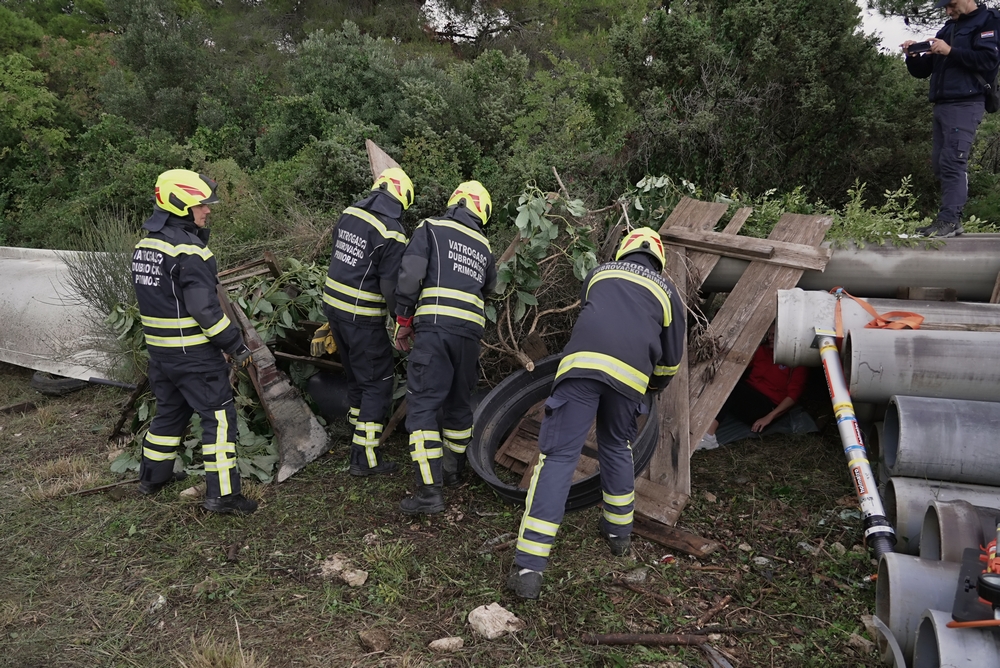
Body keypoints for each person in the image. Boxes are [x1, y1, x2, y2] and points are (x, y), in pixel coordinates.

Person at [506, 227, 686, 600]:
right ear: (659, 259)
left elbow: (597, 316)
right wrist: (652, 386)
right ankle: (619, 536)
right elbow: (670, 361)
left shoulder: (600, 273)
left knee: (559, 458)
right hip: (630, 381)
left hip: (582, 369)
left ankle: (529, 569)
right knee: (617, 447)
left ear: (624, 251)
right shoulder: (668, 293)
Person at [132, 169, 257, 515]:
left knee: (169, 414)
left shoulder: (146, 246)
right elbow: (205, 311)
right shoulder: (189, 250)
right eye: (201, 205)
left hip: (161, 354)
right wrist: (235, 345)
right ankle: (224, 496)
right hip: (194, 355)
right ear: (181, 205)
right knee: (219, 420)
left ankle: (152, 478)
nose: (207, 210)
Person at [393, 180, 497, 515]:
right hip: (469, 335)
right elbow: (489, 287)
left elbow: (410, 276)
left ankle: (429, 493)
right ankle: (452, 471)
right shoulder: (484, 245)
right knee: (458, 403)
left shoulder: (431, 228)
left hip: (435, 330)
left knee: (423, 406)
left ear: (456, 201)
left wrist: (403, 319)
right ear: (482, 211)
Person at [322, 167, 413, 476]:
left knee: (356, 378)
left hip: (333, 309)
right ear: (402, 199)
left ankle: (355, 436)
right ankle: (365, 459)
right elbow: (390, 286)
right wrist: (401, 319)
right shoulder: (392, 231)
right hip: (361, 317)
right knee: (378, 382)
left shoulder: (350, 213)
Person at [902, 0, 1000, 238]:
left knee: (953, 162)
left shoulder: (989, 21)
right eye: (945, 7)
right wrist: (913, 56)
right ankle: (949, 220)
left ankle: (949, 220)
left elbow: (989, 60)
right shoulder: (948, 29)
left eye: (951, 4)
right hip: (942, 105)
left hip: (966, 103)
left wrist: (950, 51)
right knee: (940, 163)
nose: (947, 11)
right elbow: (923, 71)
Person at [696, 323, 808, 452]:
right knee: (726, 382)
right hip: (749, 393)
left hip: (766, 405)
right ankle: (698, 421)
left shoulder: (796, 363)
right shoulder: (762, 351)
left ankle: (709, 437)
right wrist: (723, 353)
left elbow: (793, 396)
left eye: (774, 335)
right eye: (769, 335)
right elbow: (742, 362)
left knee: (732, 390)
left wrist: (769, 417)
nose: (770, 338)